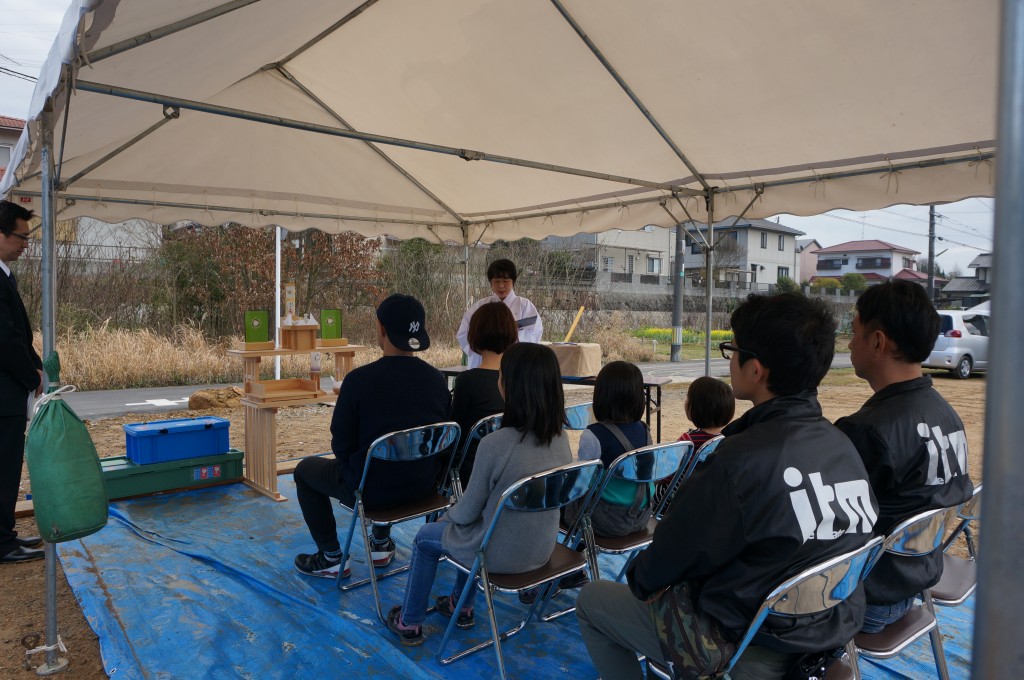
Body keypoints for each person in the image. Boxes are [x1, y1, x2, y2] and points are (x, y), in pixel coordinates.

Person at [576, 293, 879, 680]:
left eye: (732, 350)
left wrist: (641, 580)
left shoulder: (739, 462)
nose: (730, 359)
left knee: (592, 601)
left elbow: (664, 559)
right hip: (824, 634)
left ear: (757, 369)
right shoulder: (843, 446)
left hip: (744, 644)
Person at [385, 343, 571, 646]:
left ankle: (409, 621)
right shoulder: (561, 439)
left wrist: (447, 515)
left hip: (497, 555)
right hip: (541, 550)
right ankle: (461, 605)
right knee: (473, 531)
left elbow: (468, 511)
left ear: (509, 386)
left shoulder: (495, 444)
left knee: (426, 537)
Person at [835, 280, 973, 633]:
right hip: (914, 583)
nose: (850, 343)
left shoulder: (868, 431)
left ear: (878, 342)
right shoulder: (947, 415)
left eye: (855, 332)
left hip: (867, 600)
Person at [293, 294, 451, 579]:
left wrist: (354, 467)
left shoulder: (358, 381)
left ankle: (330, 556)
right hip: (425, 488)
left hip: (372, 493)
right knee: (392, 455)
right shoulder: (437, 379)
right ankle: (379, 543)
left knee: (306, 470)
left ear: (381, 328)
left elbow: (340, 443)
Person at [0, 200, 44, 564]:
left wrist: (37, 367)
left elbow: (18, 334)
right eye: (20, 236)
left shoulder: (4, 275)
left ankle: (6, 534)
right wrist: (32, 377)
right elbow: (5, 340)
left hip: (9, 393)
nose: (25, 244)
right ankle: (2, 543)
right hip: (3, 397)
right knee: (3, 468)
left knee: (8, 467)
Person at [564, 361, 653, 539]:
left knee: (559, 502)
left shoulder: (594, 435)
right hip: (643, 516)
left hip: (605, 520)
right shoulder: (645, 430)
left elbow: (581, 483)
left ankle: (579, 554)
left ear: (601, 395)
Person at [449, 301, 518, 487]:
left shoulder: (467, 381)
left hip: (472, 474)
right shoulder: (520, 379)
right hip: (512, 471)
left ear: (475, 335)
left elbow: (455, 435)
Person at [456, 259, 542, 369]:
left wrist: (510, 334)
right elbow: (463, 334)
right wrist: (483, 349)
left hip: (515, 364)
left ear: (513, 282)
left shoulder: (525, 306)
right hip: (484, 364)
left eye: (505, 281)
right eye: (496, 281)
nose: (501, 286)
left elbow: (535, 334)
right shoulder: (479, 306)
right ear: (490, 282)